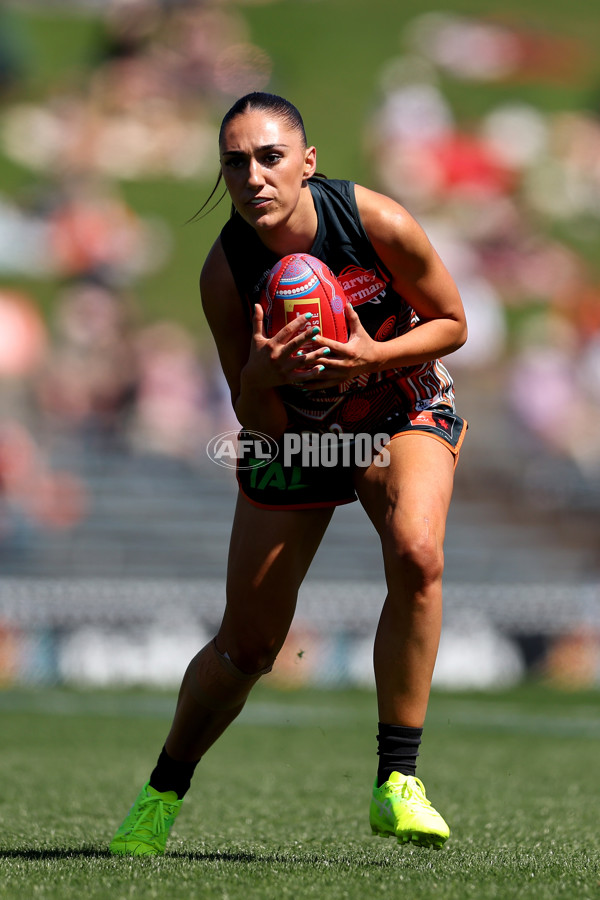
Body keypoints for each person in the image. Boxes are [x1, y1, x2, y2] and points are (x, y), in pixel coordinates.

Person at [109, 91, 468, 855]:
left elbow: (452, 324)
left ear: (307, 163)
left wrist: (371, 357)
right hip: (296, 435)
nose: (254, 177)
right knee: (248, 647)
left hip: (398, 400)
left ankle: (397, 782)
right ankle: (161, 792)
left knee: (418, 551)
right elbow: (260, 426)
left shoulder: (377, 222)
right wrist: (261, 377)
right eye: (235, 163)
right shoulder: (224, 275)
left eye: (271, 157)